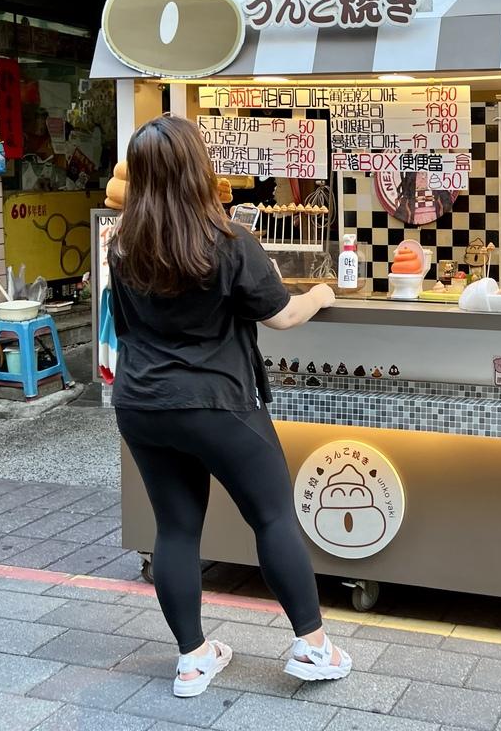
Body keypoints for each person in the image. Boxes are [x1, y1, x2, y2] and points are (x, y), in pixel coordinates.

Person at [109, 114, 351, 698]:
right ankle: (313, 647)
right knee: (271, 517)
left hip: (142, 403)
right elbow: (283, 316)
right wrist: (322, 292)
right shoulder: (229, 241)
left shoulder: (121, 243)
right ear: (199, 168)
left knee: (175, 529)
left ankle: (193, 661)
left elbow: (125, 325)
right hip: (217, 402)